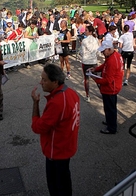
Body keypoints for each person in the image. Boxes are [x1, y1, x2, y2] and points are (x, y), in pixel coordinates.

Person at [30, 64, 80, 196]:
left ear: (55, 82)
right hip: (66, 147)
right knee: (64, 182)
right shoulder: (71, 93)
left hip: (57, 152)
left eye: (44, 80)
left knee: (57, 187)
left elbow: (37, 127)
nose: (41, 82)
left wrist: (35, 103)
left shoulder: (57, 103)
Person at [89, 40, 124, 134]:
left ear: (109, 49)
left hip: (111, 88)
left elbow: (108, 80)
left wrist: (95, 79)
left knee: (110, 108)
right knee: (110, 107)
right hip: (114, 86)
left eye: (103, 51)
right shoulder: (115, 55)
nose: (102, 52)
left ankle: (111, 127)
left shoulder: (112, 61)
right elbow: (105, 65)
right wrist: (96, 69)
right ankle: (110, 121)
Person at [80, 25, 99, 102]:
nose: (85, 31)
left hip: (86, 61)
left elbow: (82, 52)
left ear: (90, 32)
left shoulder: (84, 41)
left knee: (86, 79)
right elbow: (98, 51)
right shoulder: (96, 40)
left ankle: (87, 95)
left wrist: (81, 54)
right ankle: (102, 91)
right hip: (94, 61)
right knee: (96, 77)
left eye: (86, 30)